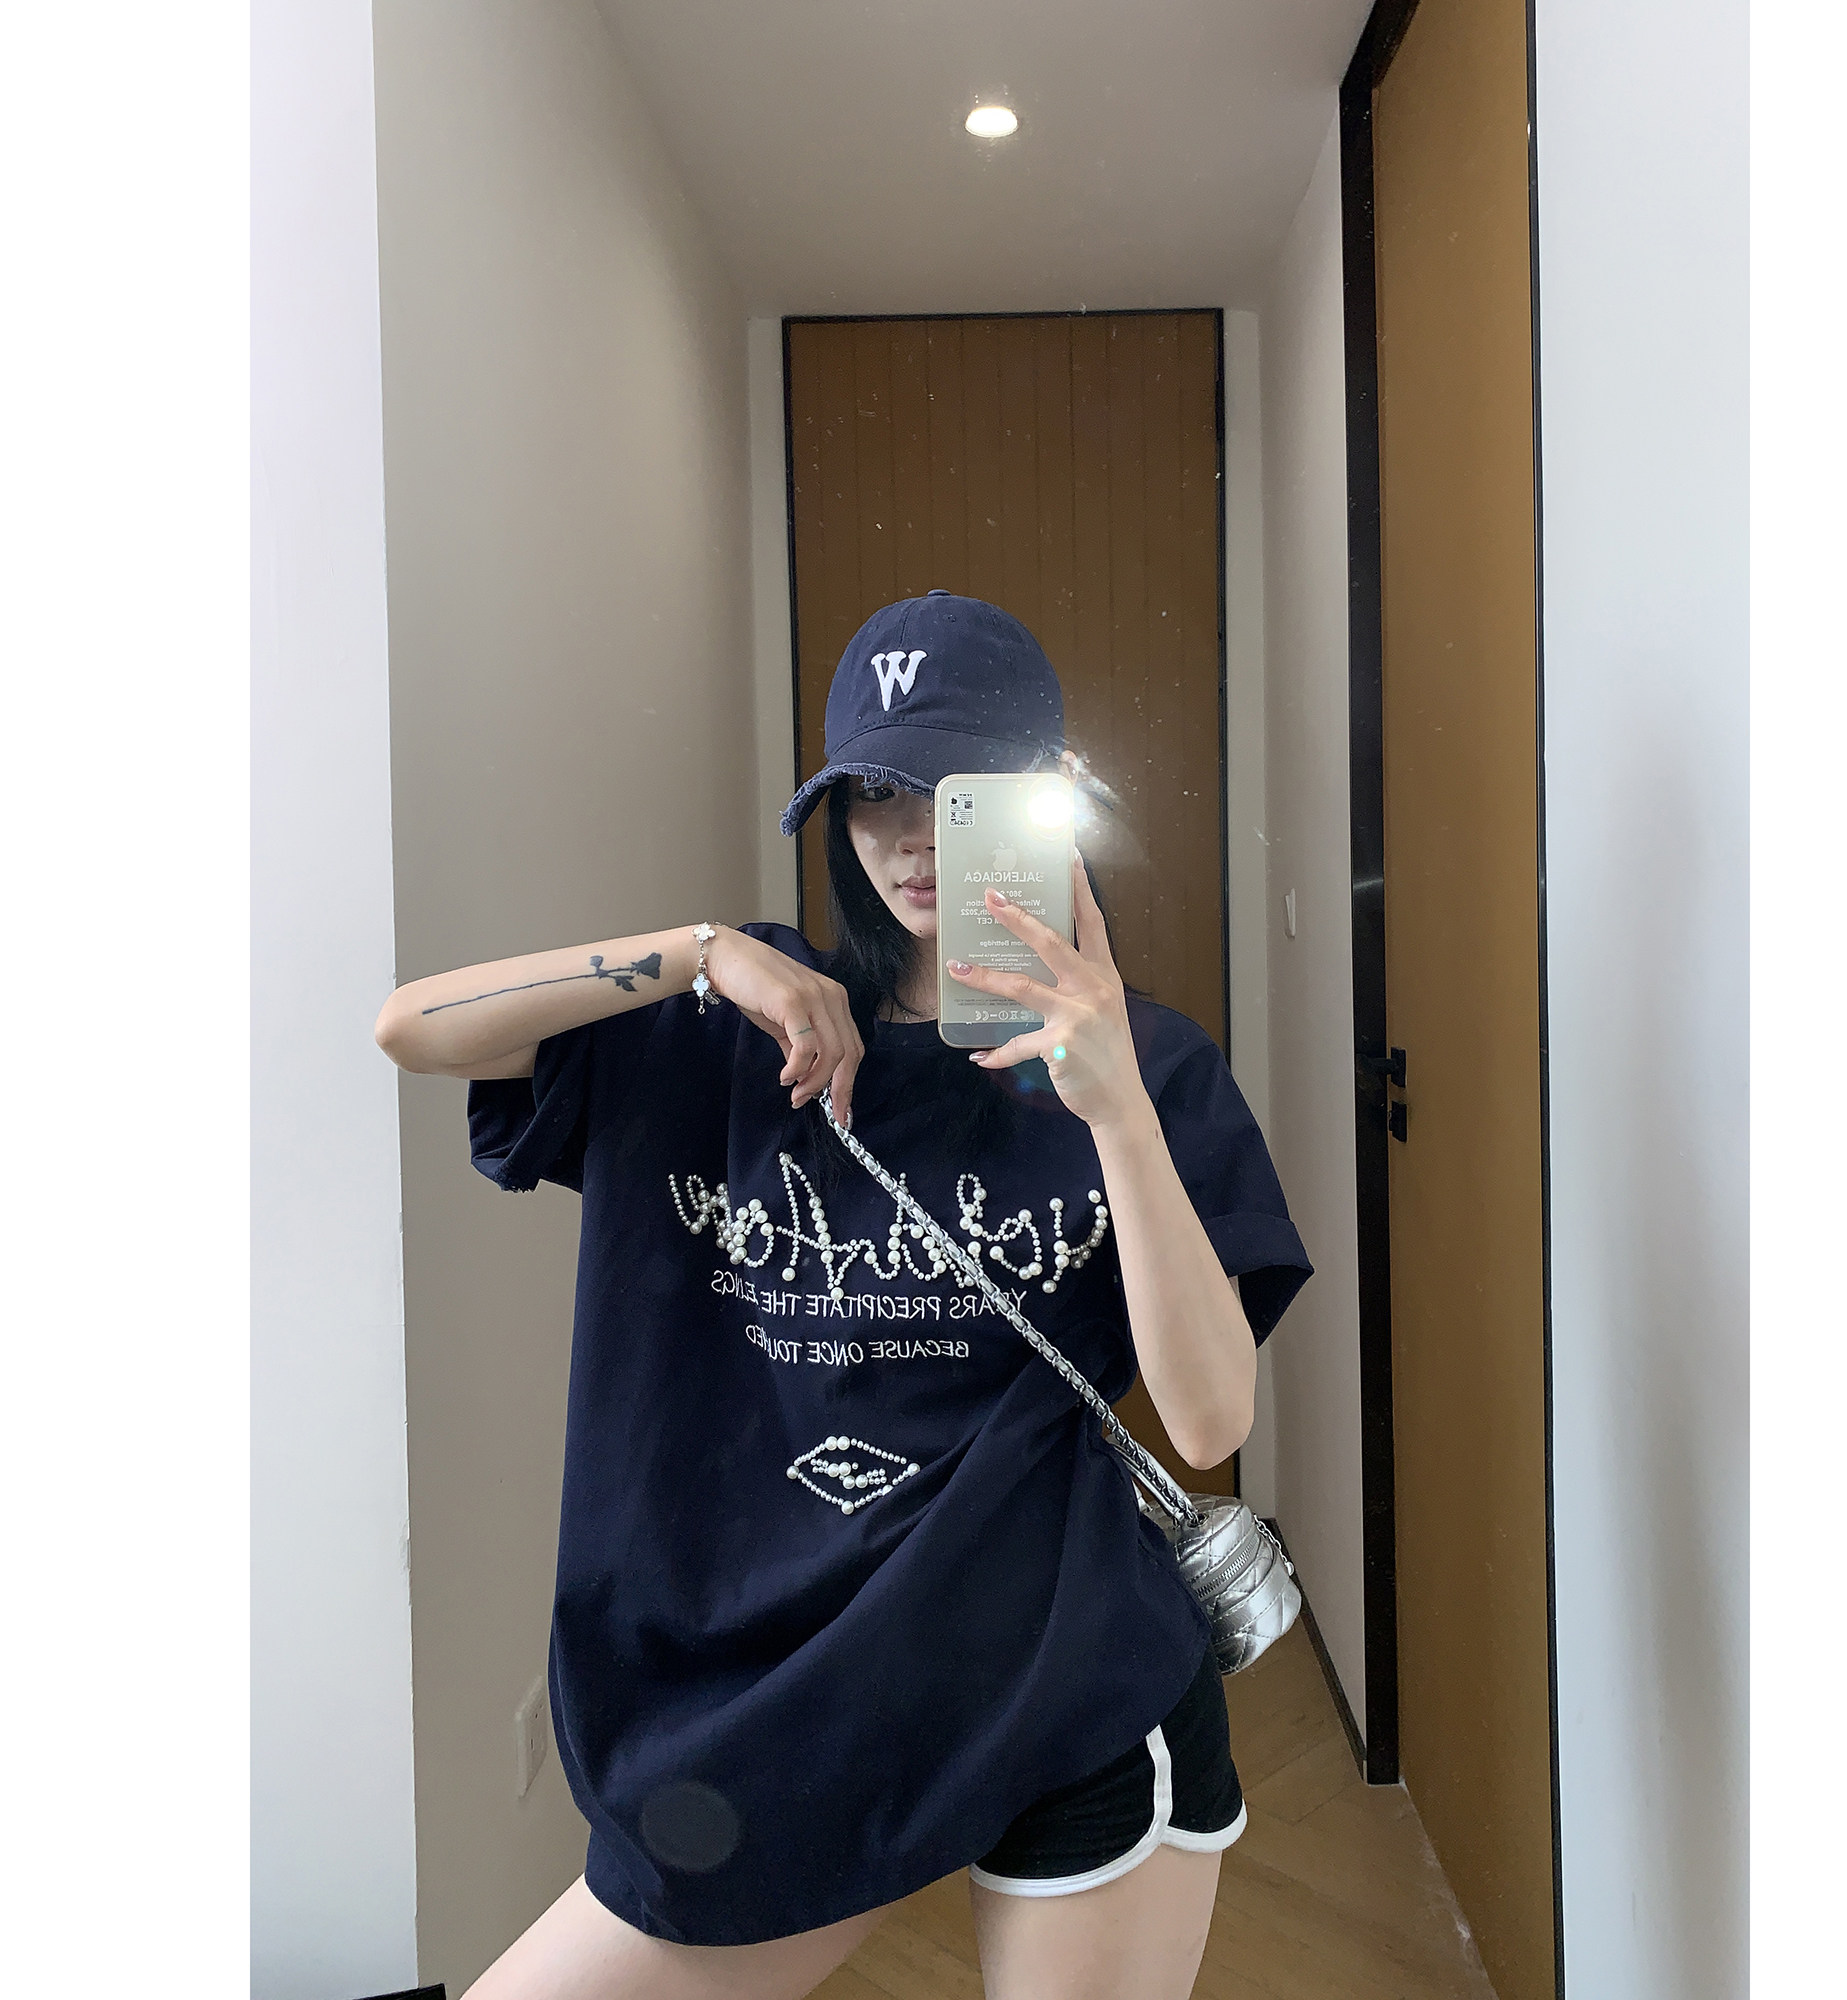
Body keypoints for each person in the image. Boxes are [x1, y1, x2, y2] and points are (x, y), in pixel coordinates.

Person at [374, 591, 1312, 2000]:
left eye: (959, 794)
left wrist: (1114, 1103)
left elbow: (1209, 1416)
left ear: (1038, 805)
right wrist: (696, 952)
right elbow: (413, 1028)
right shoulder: (735, 1028)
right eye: (875, 794)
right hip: (783, 1700)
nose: (912, 839)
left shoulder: (1152, 1065)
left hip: (1067, 1675)